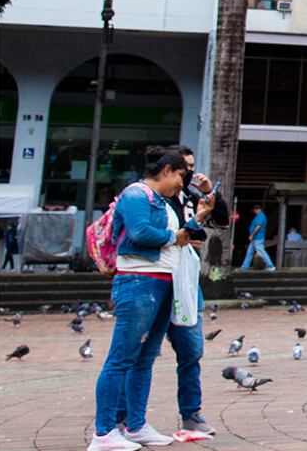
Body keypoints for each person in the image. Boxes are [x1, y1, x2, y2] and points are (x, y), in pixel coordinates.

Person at [90, 148, 195, 451]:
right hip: (139, 281)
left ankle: (135, 426)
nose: (180, 183)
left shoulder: (162, 200)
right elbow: (139, 232)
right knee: (121, 358)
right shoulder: (137, 195)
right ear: (166, 171)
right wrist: (174, 237)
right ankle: (104, 432)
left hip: (162, 281)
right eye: (179, 175)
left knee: (144, 359)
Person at [240, 205, 275, 271]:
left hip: (258, 237)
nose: (254, 211)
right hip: (255, 238)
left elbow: (258, 226)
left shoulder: (261, 216)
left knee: (261, 251)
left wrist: (252, 235)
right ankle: (244, 267)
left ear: (258, 209)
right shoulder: (259, 216)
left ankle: (270, 265)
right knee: (249, 252)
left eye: (255, 210)